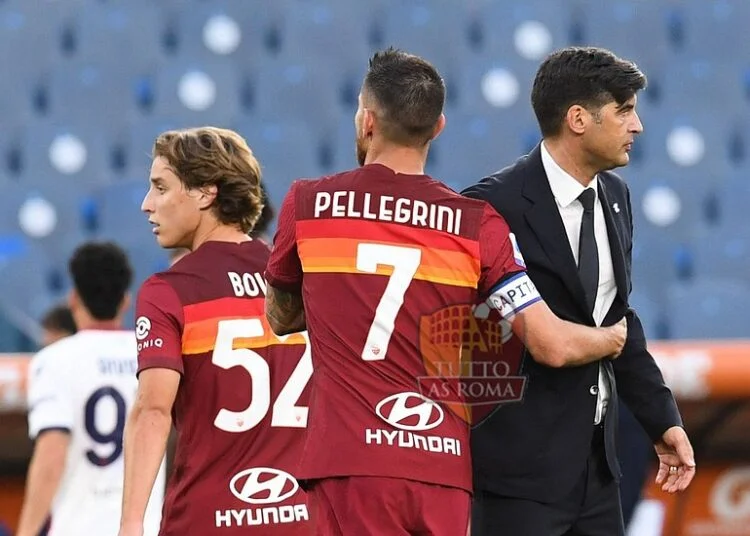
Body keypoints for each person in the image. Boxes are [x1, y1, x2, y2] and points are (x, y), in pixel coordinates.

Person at [264, 48, 627, 536]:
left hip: (352, 461)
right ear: (438, 128)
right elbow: (551, 344)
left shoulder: (308, 203)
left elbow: (281, 318)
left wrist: (338, 299)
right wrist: (613, 338)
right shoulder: (476, 224)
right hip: (442, 467)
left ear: (367, 120)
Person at [462, 46, 696, 536]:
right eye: (625, 110)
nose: (638, 126)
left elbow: (618, 321)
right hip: (517, 479)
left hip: (597, 471)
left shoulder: (616, 197)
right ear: (578, 119)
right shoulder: (490, 206)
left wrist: (662, 420)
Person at [119, 127, 311, 536]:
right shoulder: (302, 281)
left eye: (160, 187)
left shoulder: (169, 290)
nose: (146, 204)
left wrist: (131, 523)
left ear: (206, 193)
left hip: (208, 518)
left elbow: (152, 410)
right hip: (302, 518)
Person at [18, 242, 164, 536]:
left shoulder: (54, 360)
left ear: (73, 299)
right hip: (144, 528)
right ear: (126, 301)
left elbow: (52, 453)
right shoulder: (152, 354)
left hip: (79, 528)